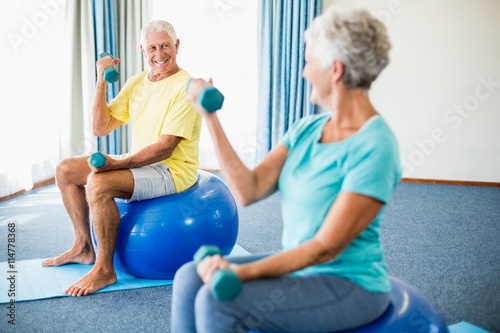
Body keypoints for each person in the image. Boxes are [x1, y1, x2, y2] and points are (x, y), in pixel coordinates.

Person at [172, 5, 402, 333]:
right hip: (301, 271)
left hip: (349, 284)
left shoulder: (375, 147)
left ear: (335, 70)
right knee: (188, 278)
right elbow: (248, 190)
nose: (305, 72)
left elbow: (325, 247)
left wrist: (244, 273)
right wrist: (210, 118)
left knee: (216, 301)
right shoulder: (307, 129)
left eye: (309, 62)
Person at [42, 20, 201, 297]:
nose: (159, 54)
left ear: (177, 46)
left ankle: (105, 270)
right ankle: (83, 247)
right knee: (66, 170)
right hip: (141, 161)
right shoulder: (137, 82)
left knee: (99, 183)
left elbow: (166, 148)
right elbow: (100, 127)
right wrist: (101, 79)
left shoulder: (186, 86)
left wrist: (116, 164)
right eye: (152, 47)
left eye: (165, 46)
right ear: (142, 50)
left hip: (171, 170)